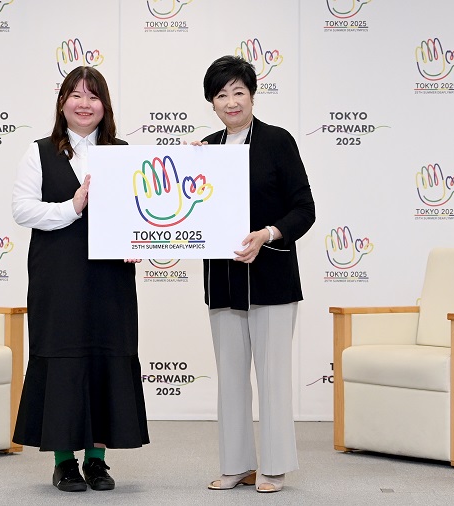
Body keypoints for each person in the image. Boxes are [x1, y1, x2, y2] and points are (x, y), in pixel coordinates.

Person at [11, 66, 149, 493]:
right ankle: (64, 461)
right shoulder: (38, 152)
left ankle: (98, 461)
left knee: (107, 356)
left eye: (93, 96)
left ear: (104, 105)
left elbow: (141, 213)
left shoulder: (124, 153)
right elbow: (22, 210)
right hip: (59, 275)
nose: (84, 103)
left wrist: (139, 240)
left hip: (111, 279)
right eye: (76, 95)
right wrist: (71, 206)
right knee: (64, 357)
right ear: (62, 102)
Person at [198, 55, 315, 493]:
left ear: (252, 94)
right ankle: (236, 464)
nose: (231, 102)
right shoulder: (205, 150)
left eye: (238, 92)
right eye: (221, 95)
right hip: (222, 280)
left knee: (272, 376)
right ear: (212, 102)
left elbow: (305, 210)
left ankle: (275, 466)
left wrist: (267, 234)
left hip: (272, 279)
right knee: (229, 377)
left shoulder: (278, 142)